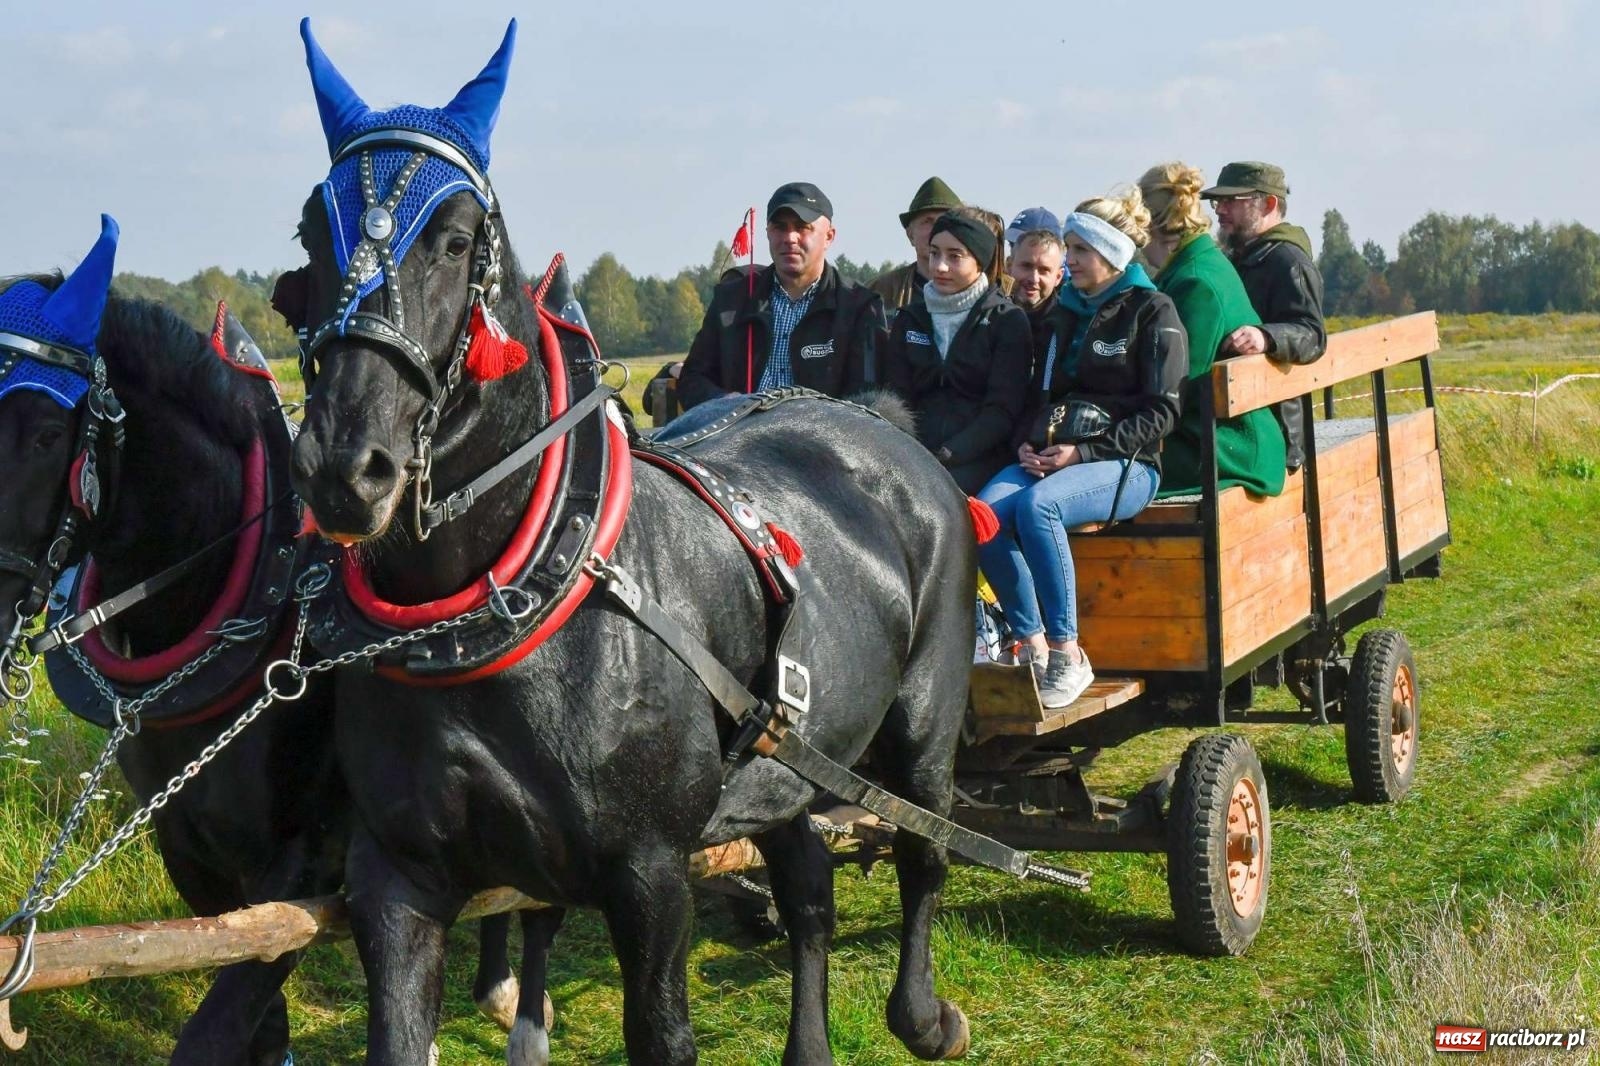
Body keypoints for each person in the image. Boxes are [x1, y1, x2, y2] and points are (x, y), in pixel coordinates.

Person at [977, 189, 1186, 708]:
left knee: (1038, 506)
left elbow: (1162, 413)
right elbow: (1040, 395)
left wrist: (1083, 455)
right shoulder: (1063, 314)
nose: (1068, 262)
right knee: (981, 513)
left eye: (1079, 252)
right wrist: (1025, 443)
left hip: (1127, 464)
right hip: (1050, 455)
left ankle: (1070, 653)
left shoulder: (1152, 311)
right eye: (1068, 250)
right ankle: (1034, 646)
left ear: (1112, 256)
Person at [1139, 162, 1285, 497]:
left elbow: (1177, 385)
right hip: (1216, 436)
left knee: (1101, 476)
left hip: (1225, 449)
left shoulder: (1196, 281)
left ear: (1149, 224)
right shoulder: (1197, 264)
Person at [676, 182, 888, 410]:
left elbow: (866, 399)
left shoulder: (860, 307)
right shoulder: (731, 300)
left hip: (819, 437)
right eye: (780, 227)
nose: (790, 238)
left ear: (829, 237)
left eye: (802, 227)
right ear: (768, 233)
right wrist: (726, 402)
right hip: (736, 434)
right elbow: (692, 379)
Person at [883, 209, 1031, 494]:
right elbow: (896, 398)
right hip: (912, 454)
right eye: (935, 253)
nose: (939, 266)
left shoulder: (1007, 321)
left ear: (980, 261)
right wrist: (909, 453)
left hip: (981, 456)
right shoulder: (911, 318)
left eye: (955, 256)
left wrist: (948, 454)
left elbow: (1001, 411)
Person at [1201, 161, 1326, 470]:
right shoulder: (1238, 256)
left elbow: (1312, 334)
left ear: (1269, 203)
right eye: (1218, 201)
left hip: (1277, 431)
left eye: (1232, 201)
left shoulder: (1288, 262)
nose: (1219, 210)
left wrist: (1266, 336)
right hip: (1242, 420)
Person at [869, 176, 963, 311]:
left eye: (945, 220)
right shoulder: (881, 292)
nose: (936, 229)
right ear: (910, 235)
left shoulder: (985, 292)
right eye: (927, 221)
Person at [1006, 228, 1065, 352]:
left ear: (1058, 277)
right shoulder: (988, 317)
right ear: (1009, 266)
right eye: (1026, 266)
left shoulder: (1067, 327)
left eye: (1044, 270)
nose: (1034, 279)